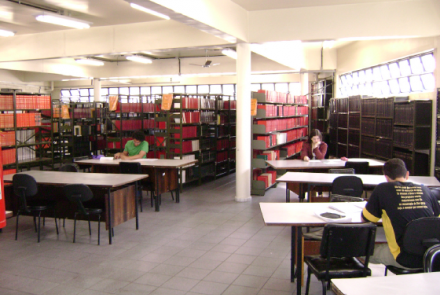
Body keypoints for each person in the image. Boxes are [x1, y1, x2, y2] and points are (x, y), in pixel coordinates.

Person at [362, 158, 440, 269]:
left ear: (386, 177)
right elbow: (437, 220)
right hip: (432, 257)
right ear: (407, 174)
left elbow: (366, 220)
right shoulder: (425, 189)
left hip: (403, 258)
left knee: (359, 250)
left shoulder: (382, 189)